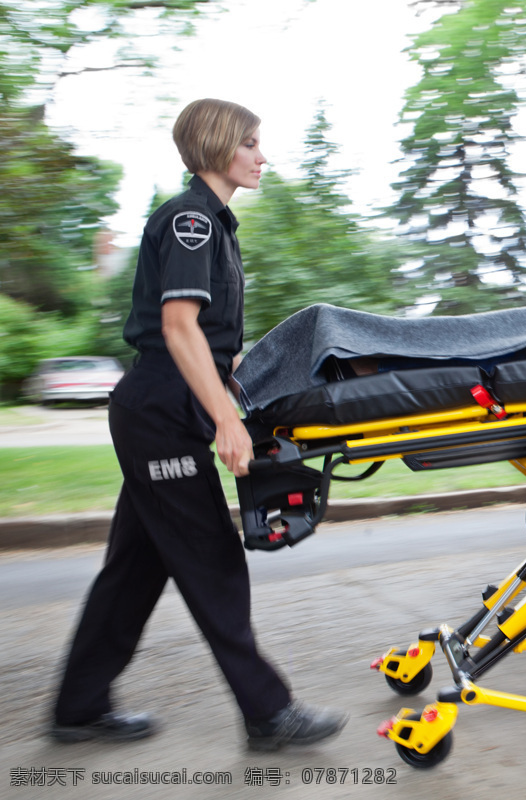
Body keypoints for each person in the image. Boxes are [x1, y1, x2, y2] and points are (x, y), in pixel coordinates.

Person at [50, 99, 347, 750]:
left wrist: (251, 383)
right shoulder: (191, 221)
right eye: (250, 143)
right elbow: (178, 327)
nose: (261, 156)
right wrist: (224, 421)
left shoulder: (213, 224)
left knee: (134, 567)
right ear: (218, 147)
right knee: (211, 560)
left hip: (160, 409)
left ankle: (78, 706)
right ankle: (268, 714)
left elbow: (209, 341)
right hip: (162, 412)